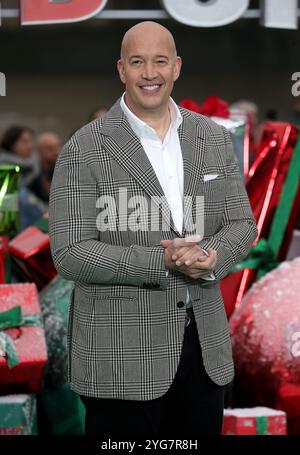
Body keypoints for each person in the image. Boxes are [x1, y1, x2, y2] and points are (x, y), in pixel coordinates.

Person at [49, 21, 258, 437]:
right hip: (120, 359)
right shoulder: (84, 148)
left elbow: (242, 224)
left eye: (160, 61)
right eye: (138, 62)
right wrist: (161, 263)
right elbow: (69, 251)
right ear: (121, 70)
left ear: (176, 67)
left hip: (203, 355)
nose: (150, 73)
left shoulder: (212, 138)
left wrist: (212, 256)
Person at [0, 125, 46, 229]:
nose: (30, 146)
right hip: (18, 233)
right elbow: (6, 219)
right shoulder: (5, 171)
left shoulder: (35, 167)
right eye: (24, 141)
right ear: (12, 144)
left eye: (30, 141)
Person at [30, 132, 61, 203]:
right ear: (39, 151)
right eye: (50, 148)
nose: (56, 152)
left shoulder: (67, 172)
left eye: (57, 147)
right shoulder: (32, 175)